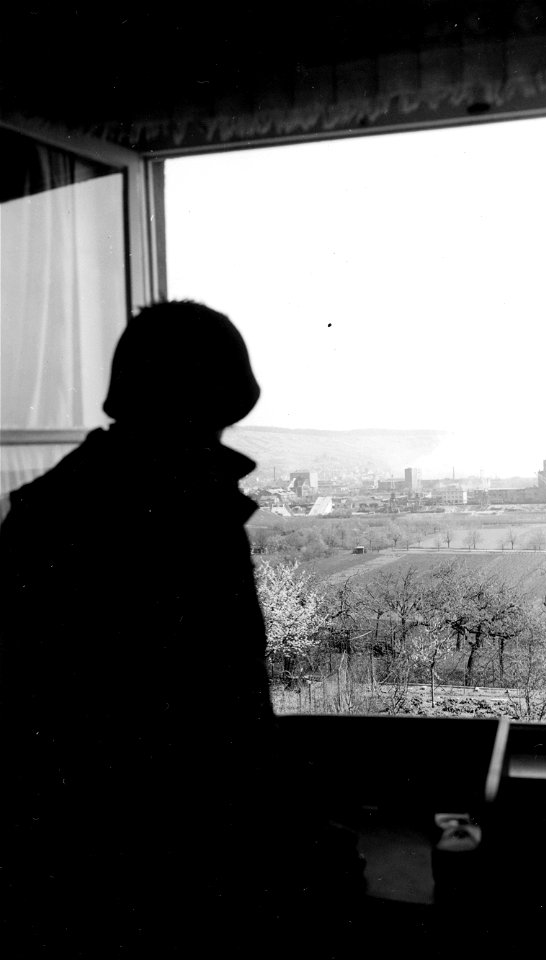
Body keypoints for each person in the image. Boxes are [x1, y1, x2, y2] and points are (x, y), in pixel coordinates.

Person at [0, 300, 362, 957]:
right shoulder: (185, 516)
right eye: (219, 417)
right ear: (209, 407)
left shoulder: (51, 508)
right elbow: (222, 720)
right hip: (159, 864)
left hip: (67, 859)